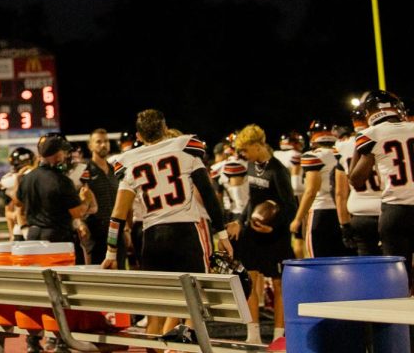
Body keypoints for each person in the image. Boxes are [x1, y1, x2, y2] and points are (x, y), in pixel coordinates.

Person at [102, 110, 232, 339]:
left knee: (156, 312)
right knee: (195, 303)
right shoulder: (185, 148)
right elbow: (209, 196)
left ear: (139, 136)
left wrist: (111, 253)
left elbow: (117, 216)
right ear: (164, 128)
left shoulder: (130, 162)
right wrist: (222, 234)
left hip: (153, 237)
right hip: (186, 233)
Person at [226, 124, 296, 346]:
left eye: (246, 150)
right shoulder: (250, 165)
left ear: (257, 146)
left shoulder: (277, 170)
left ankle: (278, 334)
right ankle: (253, 332)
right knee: (250, 280)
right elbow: (252, 201)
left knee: (278, 284)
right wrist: (240, 221)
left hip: (275, 235)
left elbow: (290, 205)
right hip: (253, 233)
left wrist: (273, 227)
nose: (243, 155)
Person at [350, 90, 414, 289]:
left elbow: (356, 179)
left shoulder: (371, 135)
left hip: (395, 211)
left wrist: (360, 146)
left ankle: (402, 320)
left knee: (399, 277)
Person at [15, 134, 95, 244]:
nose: (66, 156)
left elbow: (18, 203)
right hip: (56, 238)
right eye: (64, 152)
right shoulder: (61, 180)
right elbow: (78, 213)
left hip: (32, 236)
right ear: (57, 154)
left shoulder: (27, 178)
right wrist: (86, 200)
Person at [289, 120, 350, 258]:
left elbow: (311, 191)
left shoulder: (314, 155)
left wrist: (298, 219)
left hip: (321, 213)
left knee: (319, 261)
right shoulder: (342, 152)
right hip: (344, 212)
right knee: (343, 260)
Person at [343, 105, 382, 256]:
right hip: (387, 207)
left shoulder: (342, 146)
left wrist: (344, 224)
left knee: (367, 263)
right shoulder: (385, 136)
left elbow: (340, 192)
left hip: (359, 211)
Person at [80, 129, 121, 267]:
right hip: (96, 232)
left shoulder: (115, 169)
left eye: (106, 141)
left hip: (116, 231)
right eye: (98, 142)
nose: (103, 145)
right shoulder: (86, 171)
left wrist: (126, 229)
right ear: (90, 145)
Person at [0, 147, 34, 240]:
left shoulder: (8, 180)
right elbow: (8, 212)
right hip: (29, 225)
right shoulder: (11, 180)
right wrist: (11, 234)